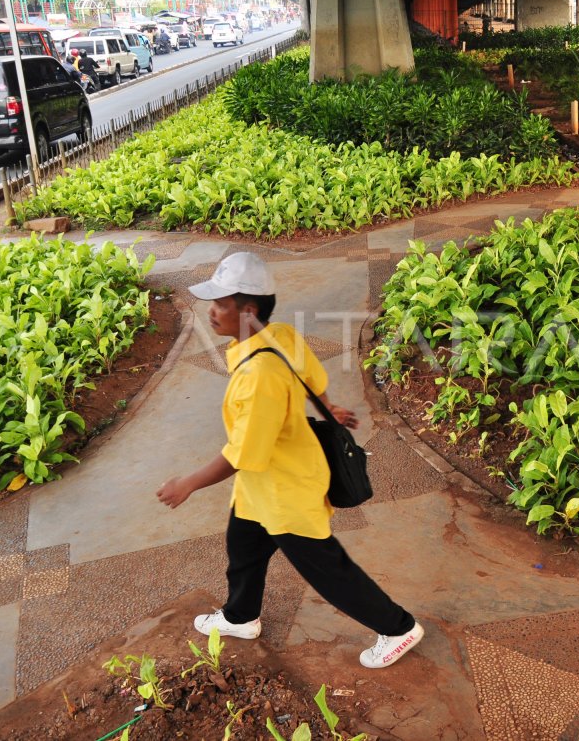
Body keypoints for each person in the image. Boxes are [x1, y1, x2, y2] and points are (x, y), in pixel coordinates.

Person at [157, 252, 424, 670]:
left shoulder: (257, 375)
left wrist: (188, 482)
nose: (212, 312)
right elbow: (311, 379)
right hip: (262, 485)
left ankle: (398, 627)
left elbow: (243, 453)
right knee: (243, 546)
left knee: (327, 570)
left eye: (221, 303)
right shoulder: (277, 334)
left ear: (248, 310)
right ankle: (240, 617)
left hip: (285, 489)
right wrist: (329, 409)